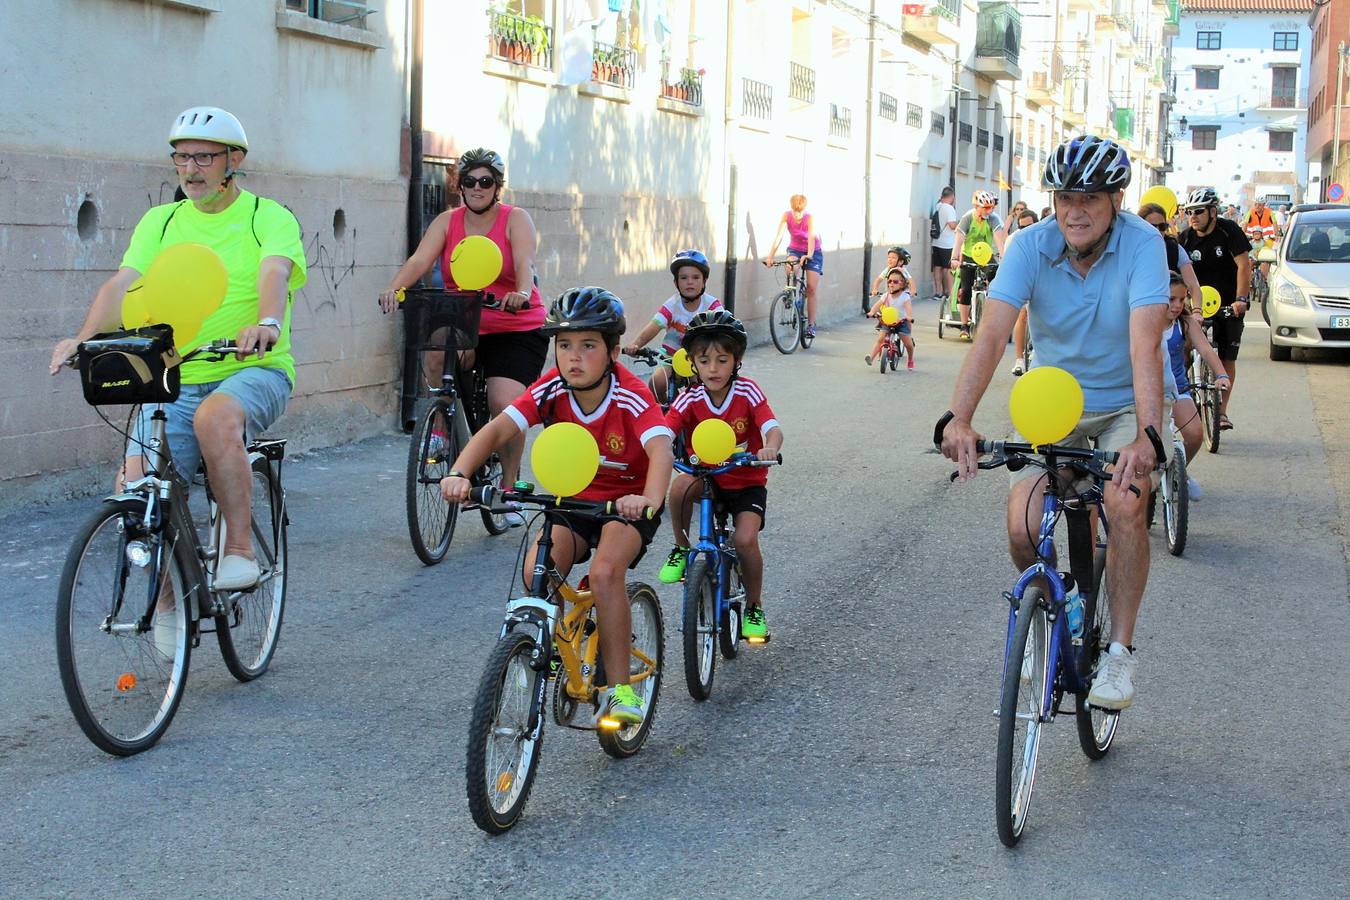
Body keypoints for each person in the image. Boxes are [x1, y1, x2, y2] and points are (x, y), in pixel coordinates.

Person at [938, 134, 1169, 711]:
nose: (1076, 210)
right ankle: (1058, 606)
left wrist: (1147, 434)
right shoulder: (1030, 245)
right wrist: (958, 418)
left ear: (1117, 199)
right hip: (1052, 403)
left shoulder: (1144, 246)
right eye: (1065, 196)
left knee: (1123, 505)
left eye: (1091, 197)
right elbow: (992, 333)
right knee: (1023, 524)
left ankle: (1119, 654)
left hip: (1120, 405)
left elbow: (1146, 348)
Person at [49, 106, 306, 592]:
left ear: (234, 159)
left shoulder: (265, 217)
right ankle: (168, 610)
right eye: (181, 157)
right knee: (138, 488)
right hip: (174, 373)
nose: (191, 169)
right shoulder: (161, 222)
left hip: (254, 368)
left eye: (204, 157)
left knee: (215, 418)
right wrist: (83, 338)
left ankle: (238, 550)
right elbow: (124, 283)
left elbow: (275, 272)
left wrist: (266, 322)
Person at [439, 287, 674, 726]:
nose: (573, 357)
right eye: (564, 345)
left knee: (605, 573)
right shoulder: (551, 388)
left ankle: (622, 690)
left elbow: (661, 451)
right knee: (536, 573)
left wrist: (647, 500)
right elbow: (498, 430)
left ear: (613, 351)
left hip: (626, 504)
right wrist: (459, 473)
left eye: (588, 346)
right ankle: (558, 647)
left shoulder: (631, 393)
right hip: (572, 499)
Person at [379, 148, 545, 519]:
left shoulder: (515, 219)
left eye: (485, 181)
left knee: (506, 403)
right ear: (459, 185)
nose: (476, 187)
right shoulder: (447, 221)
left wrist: (521, 292)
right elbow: (420, 260)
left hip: (515, 324)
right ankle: (441, 422)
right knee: (435, 350)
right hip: (467, 320)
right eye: (468, 181)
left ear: (497, 186)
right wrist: (395, 288)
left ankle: (508, 485)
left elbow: (524, 262)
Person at [660, 311, 783, 640]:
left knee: (744, 540)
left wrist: (769, 447)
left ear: (737, 361)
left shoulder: (748, 392)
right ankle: (682, 547)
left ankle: (754, 607)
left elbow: (772, 428)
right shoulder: (689, 397)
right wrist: (658, 448)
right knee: (680, 485)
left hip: (747, 483)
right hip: (708, 480)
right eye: (704, 360)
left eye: (722, 359)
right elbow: (665, 430)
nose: (713, 369)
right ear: (693, 363)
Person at [1179, 187, 1250, 431]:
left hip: (1229, 304)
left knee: (1226, 357)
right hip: (1196, 306)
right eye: (1189, 212)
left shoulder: (1229, 231)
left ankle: (1221, 412)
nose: (1193, 216)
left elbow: (1243, 265)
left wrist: (1241, 298)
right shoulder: (1185, 238)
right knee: (1183, 350)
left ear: (1212, 211)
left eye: (1198, 211)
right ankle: (1182, 396)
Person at [1162, 273, 1229, 496]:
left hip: (1178, 388)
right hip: (1147, 392)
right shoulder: (1144, 319)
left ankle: (1178, 471)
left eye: (1182, 300)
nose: (1177, 305)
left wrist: (1222, 375)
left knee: (1195, 435)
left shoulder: (1185, 322)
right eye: (1171, 299)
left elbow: (1206, 349)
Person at [623, 249, 721, 401]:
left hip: (701, 358)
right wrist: (636, 344)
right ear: (676, 282)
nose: (690, 282)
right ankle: (665, 415)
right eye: (684, 278)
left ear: (704, 281)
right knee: (657, 382)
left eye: (695, 277)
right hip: (671, 357)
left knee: (701, 389)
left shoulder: (712, 306)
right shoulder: (671, 305)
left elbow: (725, 328)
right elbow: (654, 326)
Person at [949, 189, 1007, 340]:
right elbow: (959, 239)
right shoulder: (967, 218)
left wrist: (1004, 257)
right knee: (966, 288)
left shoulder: (993, 219)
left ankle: (992, 318)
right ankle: (964, 325)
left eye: (991, 207)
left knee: (996, 284)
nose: (990, 210)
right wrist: (954, 257)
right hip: (969, 255)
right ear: (977, 207)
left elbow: (999, 240)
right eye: (986, 208)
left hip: (987, 256)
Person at [763, 194, 823, 339]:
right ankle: (790, 292)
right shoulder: (786, 216)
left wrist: (808, 255)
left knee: (811, 288)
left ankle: (811, 325)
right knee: (790, 266)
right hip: (795, 249)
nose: (797, 214)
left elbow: (811, 238)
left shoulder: (809, 218)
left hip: (813, 251)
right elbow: (779, 236)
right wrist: (771, 256)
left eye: (800, 211)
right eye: (795, 211)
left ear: (804, 209)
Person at [1138, 202, 1202, 309]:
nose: (1158, 231)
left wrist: (1197, 311)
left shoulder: (1174, 248)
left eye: (1162, 226)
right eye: (1152, 226)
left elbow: (1193, 285)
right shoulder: (1130, 248)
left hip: (1169, 314)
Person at [1007, 208, 1038, 376]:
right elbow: (1008, 265)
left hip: (1040, 282)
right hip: (1022, 280)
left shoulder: (1044, 238)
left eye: (1029, 226)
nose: (1025, 231)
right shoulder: (1013, 239)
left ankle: (1038, 352)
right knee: (1022, 315)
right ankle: (1019, 360)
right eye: (1021, 227)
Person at [864, 267, 915, 370]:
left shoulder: (905, 297)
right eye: (889, 281)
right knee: (880, 339)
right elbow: (877, 305)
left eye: (895, 281)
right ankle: (871, 358)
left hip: (901, 322)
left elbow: (909, 310)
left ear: (902, 284)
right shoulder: (886, 295)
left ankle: (910, 359)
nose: (891, 283)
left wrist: (909, 317)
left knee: (908, 344)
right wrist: (871, 312)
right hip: (888, 321)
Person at [930, 187, 960, 302]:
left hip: (936, 242)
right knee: (948, 268)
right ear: (952, 197)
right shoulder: (949, 208)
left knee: (937, 267)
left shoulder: (938, 206)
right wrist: (960, 224)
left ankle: (938, 292)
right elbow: (952, 225)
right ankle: (949, 292)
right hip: (947, 243)